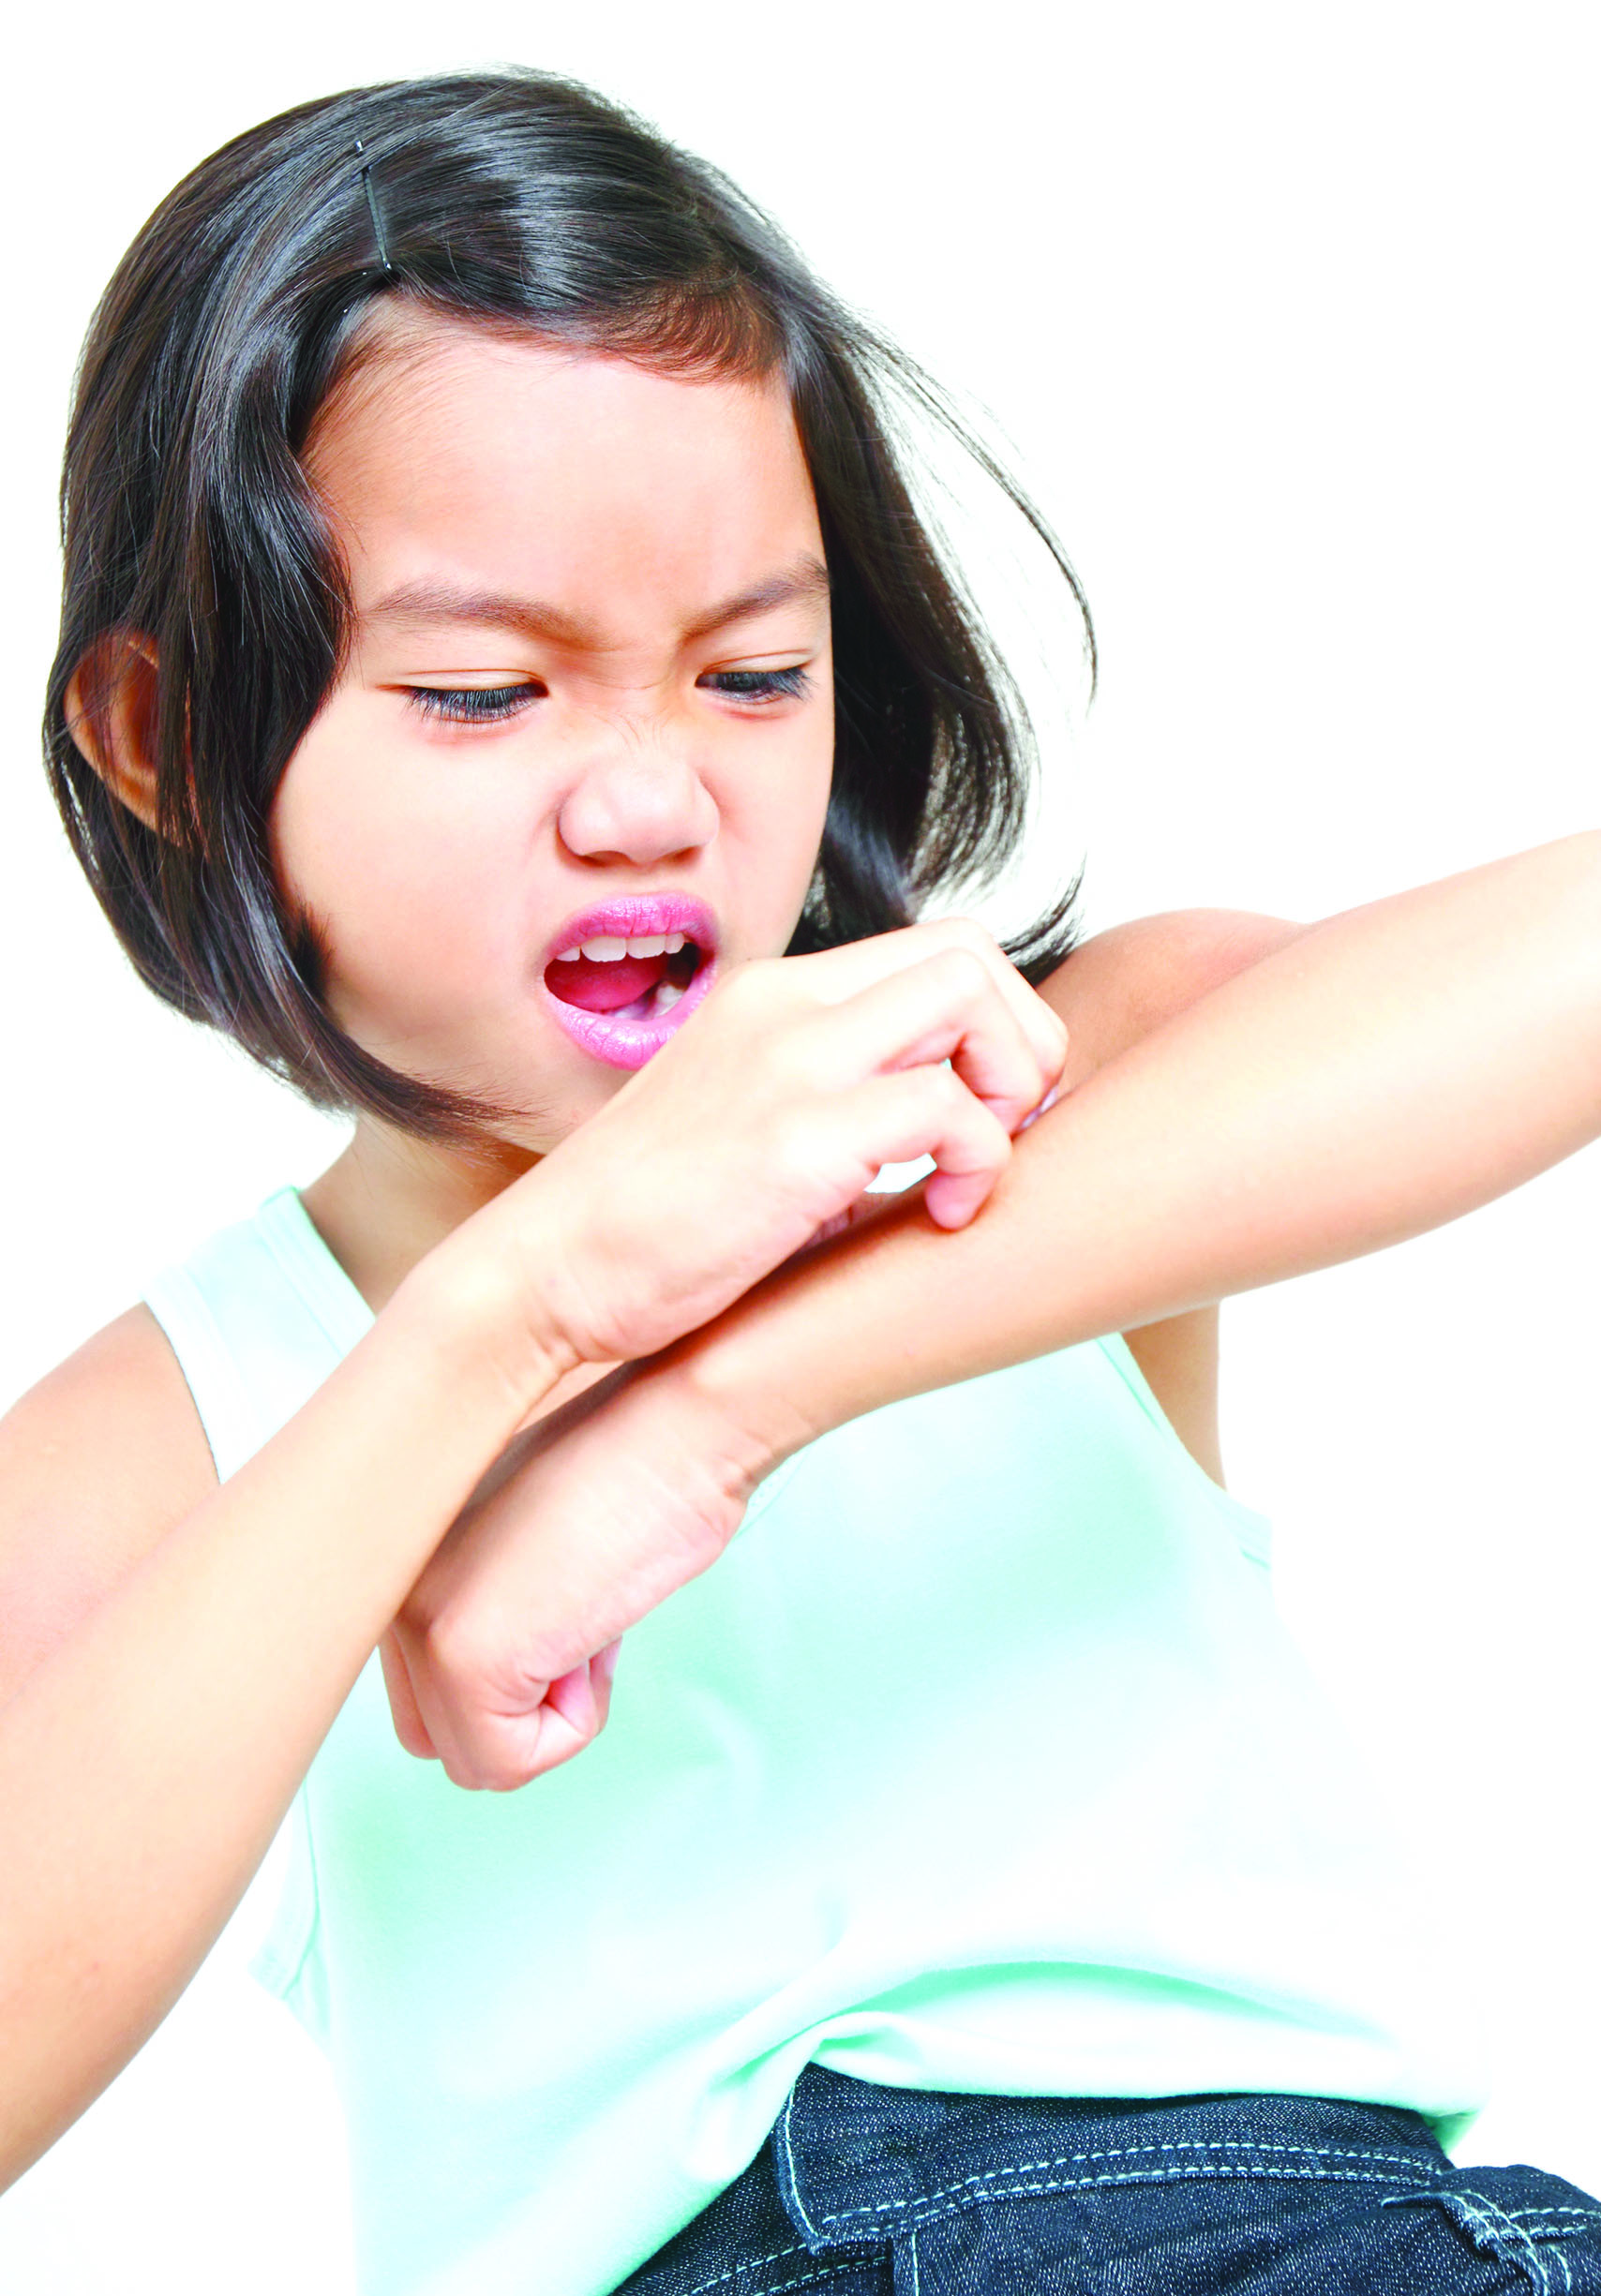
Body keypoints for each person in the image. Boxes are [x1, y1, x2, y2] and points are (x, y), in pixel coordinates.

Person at [3, 64, 1599, 2296]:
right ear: (164, 734)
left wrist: (708, 1403)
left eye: (753, 671)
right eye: (484, 695)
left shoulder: (1032, 1091)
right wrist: (513, 1318)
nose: (652, 799)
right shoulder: (165, 1424)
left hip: (1296, 2231)